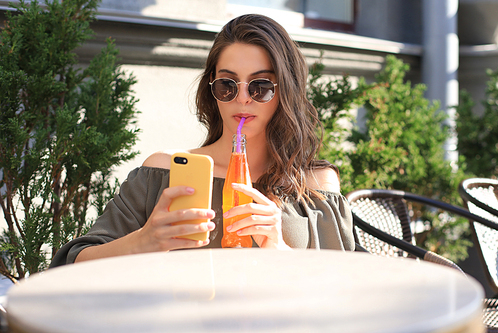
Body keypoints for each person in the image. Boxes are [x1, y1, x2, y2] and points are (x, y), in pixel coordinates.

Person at [50, 14, 355, 267]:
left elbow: (348, 288)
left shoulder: (316, 185)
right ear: (212, 88)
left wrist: (281, 253)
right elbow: (74, 264)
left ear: (285, 91)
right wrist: (143, 241)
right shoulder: (162, 172)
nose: (243, 99)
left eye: (261, 86)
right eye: (227, 85)